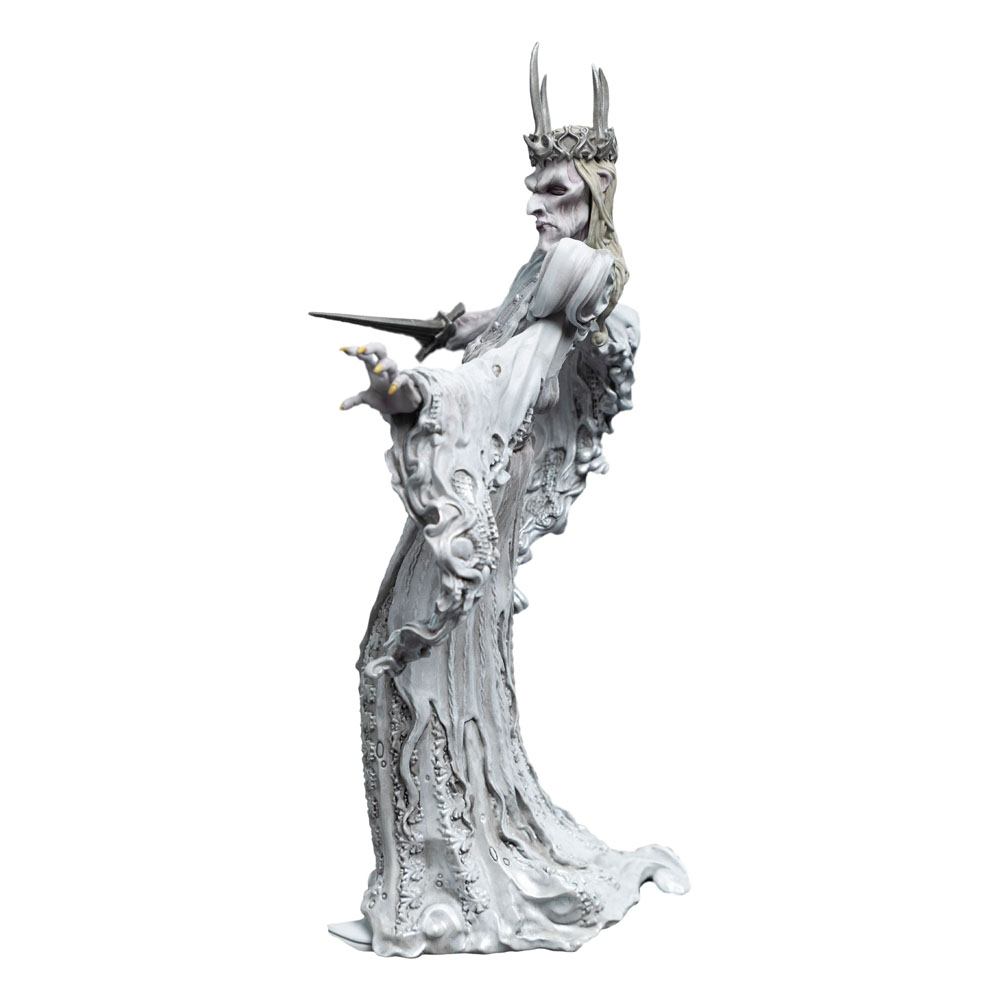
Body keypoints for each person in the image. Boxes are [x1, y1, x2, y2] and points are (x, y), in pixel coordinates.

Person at [328, 45, 688, 957]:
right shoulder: (558, 268)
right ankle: (424, 889)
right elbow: (503, 331)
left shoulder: (574, 266)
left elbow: (507, 373)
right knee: (421, 661)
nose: (538, 207)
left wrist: (414, 395)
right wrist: (459, 328)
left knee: (403, 657)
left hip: (483, 464)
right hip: (487, 463)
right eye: (534, 192)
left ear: (595, 195)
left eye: (556, 192)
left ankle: (439, 897)